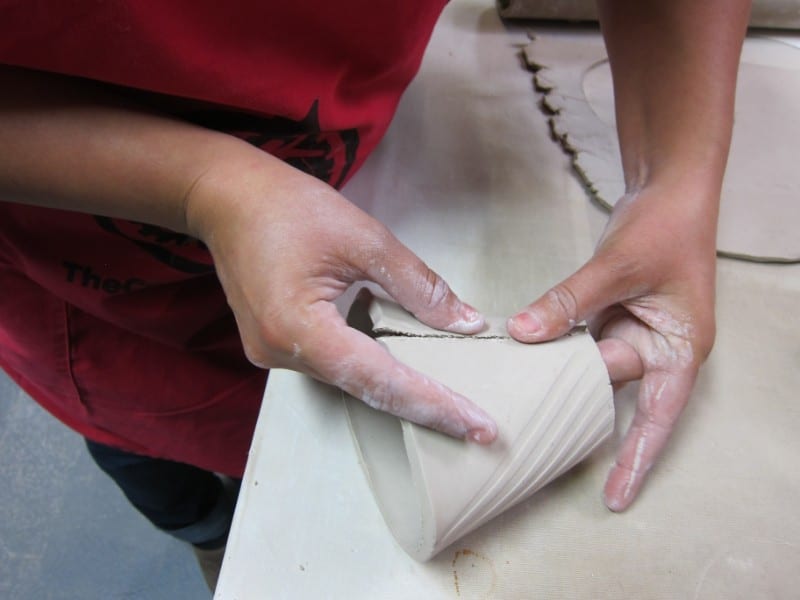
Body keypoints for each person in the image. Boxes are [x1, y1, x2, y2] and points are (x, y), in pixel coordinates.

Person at [0, 0, 751, 592]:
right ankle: (211, 534)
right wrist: (204, 187)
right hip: (103, 284)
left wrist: (677, 178)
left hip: (336, 166)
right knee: (183, 489)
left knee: (328, 490)